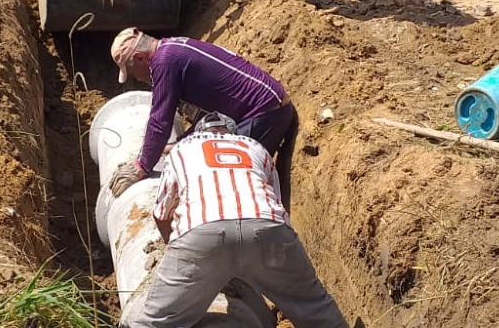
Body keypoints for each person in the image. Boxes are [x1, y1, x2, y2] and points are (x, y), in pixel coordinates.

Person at [124, 112, 347, 328]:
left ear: (200, 132)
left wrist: (178, 253)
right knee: (315, 308)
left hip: (202, 232)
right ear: (232, 132)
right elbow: (275, 204)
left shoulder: (182, 149)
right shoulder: (255, 147)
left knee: (153, 322)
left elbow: (161, 212)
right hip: (268, 229)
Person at [108, 27, 299, 208]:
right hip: (265, 107)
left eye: (133, 73)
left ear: (140, 57)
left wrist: (141, 165)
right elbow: (209, 118)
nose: (139, 79)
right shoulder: (172, 48)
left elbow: (160, 121)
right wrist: (182, 142)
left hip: (265, 113)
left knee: (222, 176)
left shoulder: (164, 62)